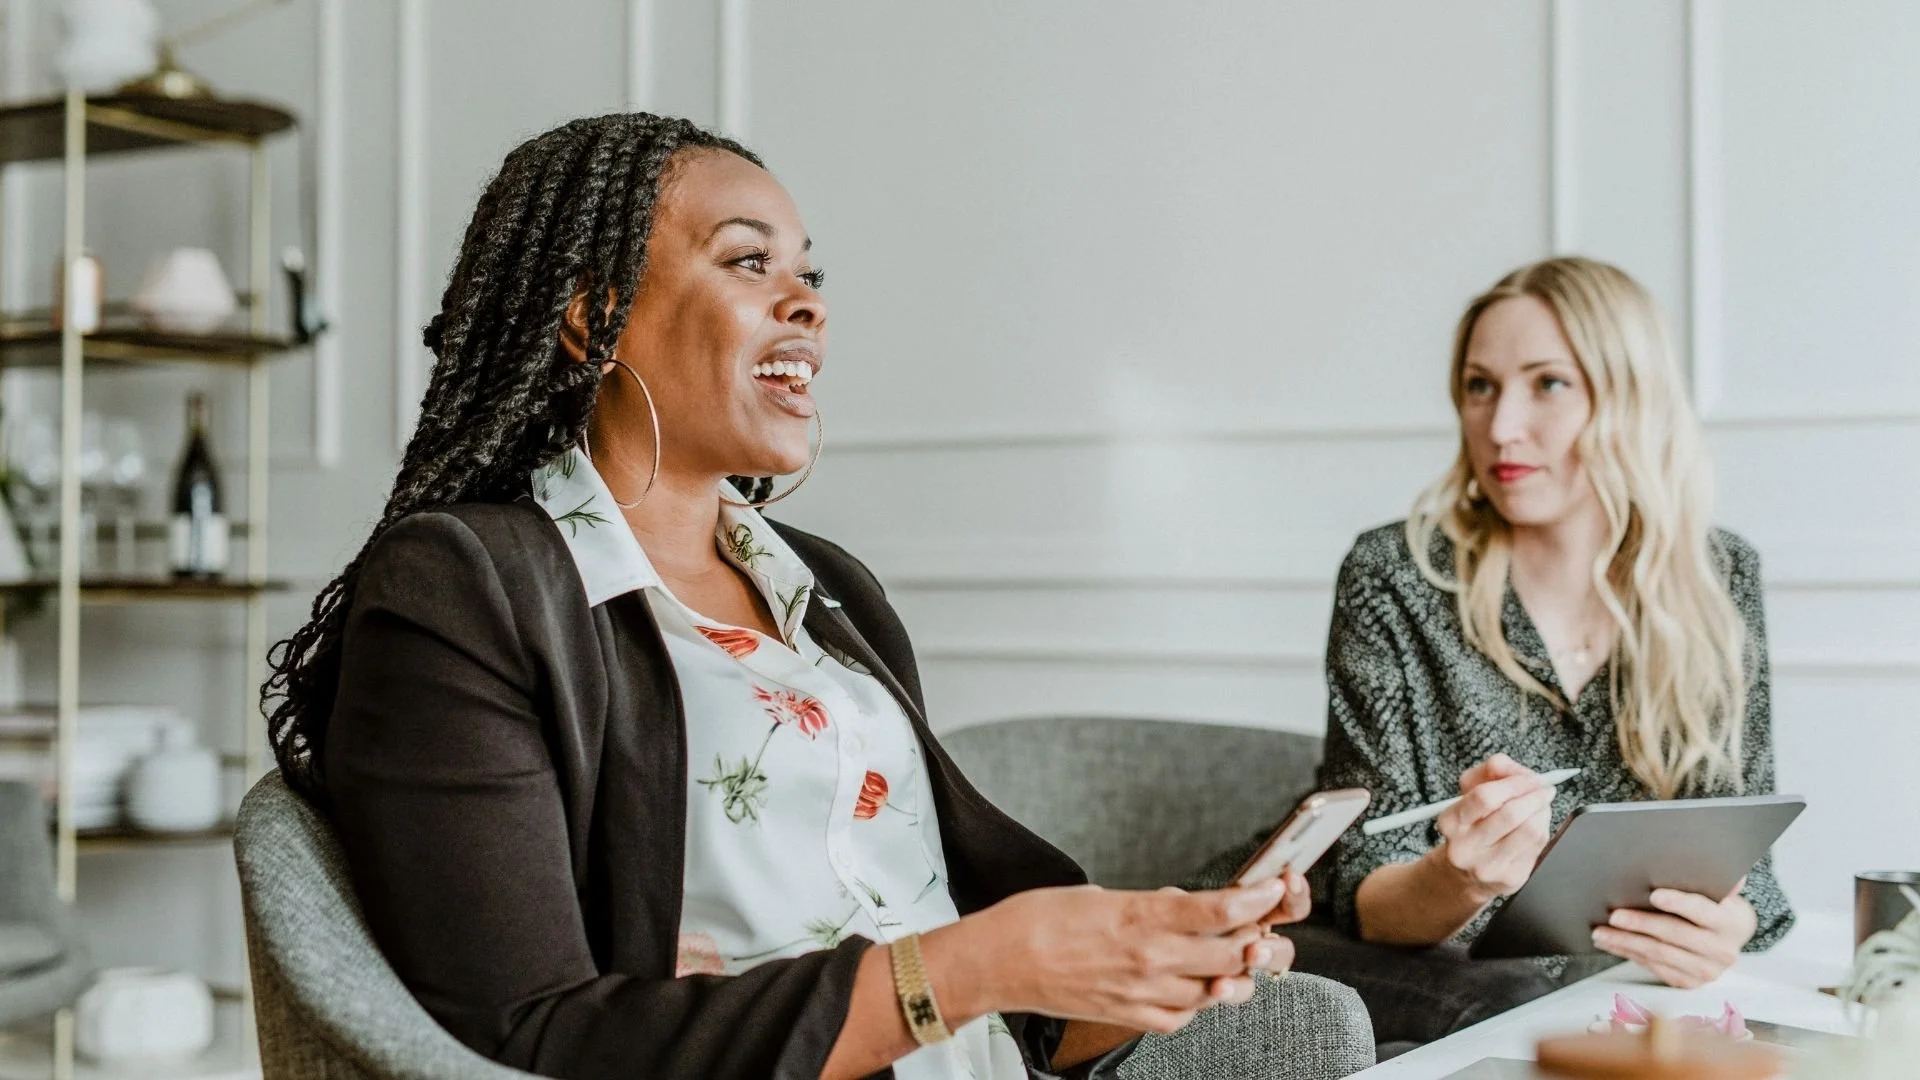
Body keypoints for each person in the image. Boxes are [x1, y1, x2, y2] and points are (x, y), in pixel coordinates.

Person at [258, 113, 1320, 1080]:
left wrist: (1138, 969)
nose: (807, 301)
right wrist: (968, 967)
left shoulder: (828, 585)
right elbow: (527, 1035)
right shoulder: (465, 588)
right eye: (748, 261)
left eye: (810, 272)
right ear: (592, 319)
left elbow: (1021, 1019)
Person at [1194, 256, 1792, 1049]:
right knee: (1520, 1002)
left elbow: (1746, 857)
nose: (1502, 426)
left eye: (1548, 384)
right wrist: (1459, 877)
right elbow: (1368, 894)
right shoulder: (1397, 577)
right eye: (1481, 387)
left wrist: (1720, 927)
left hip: (1592, 988)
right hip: (1371, 952)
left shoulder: (1718, 578)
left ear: (1629, 398)